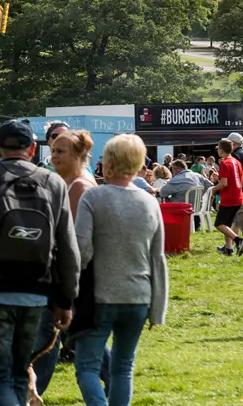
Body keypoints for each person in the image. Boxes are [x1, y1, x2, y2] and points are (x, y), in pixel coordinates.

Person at [0, 120, 78, 406]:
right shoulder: (53, 183)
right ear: (33, 149)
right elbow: (68, 248)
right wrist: (66, 299)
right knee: (20, 374)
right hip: (37, 294)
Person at [72, 134, 168, 406]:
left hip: (100, 296)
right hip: (139, 296)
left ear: (110, 162)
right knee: (123, 367)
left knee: (87, 367)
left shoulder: (94, 197)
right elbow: (157, 258)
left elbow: (82, 249)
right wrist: (158, 309)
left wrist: (67, 285)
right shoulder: (150, 202)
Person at [33, 129, 96, 395]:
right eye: (53, 150)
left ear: (79, 155)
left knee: (48, 337)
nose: (53, 156)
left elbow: (72, 240)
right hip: (65, 275)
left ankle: (29, 394)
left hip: (72, 277)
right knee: (77, 339)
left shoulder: (79, 187)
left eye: (60, 151)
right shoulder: (66, 183)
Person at [213, 138, 243, 256]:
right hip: (238, 196)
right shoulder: (236, 162)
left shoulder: (224, 163)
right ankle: (228, 249)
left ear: (221, 151)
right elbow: (242, 182)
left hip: (229, 198)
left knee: (219, 224)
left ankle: (238, 240)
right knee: (226, 224)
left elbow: (224, 184)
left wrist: (214, 189)